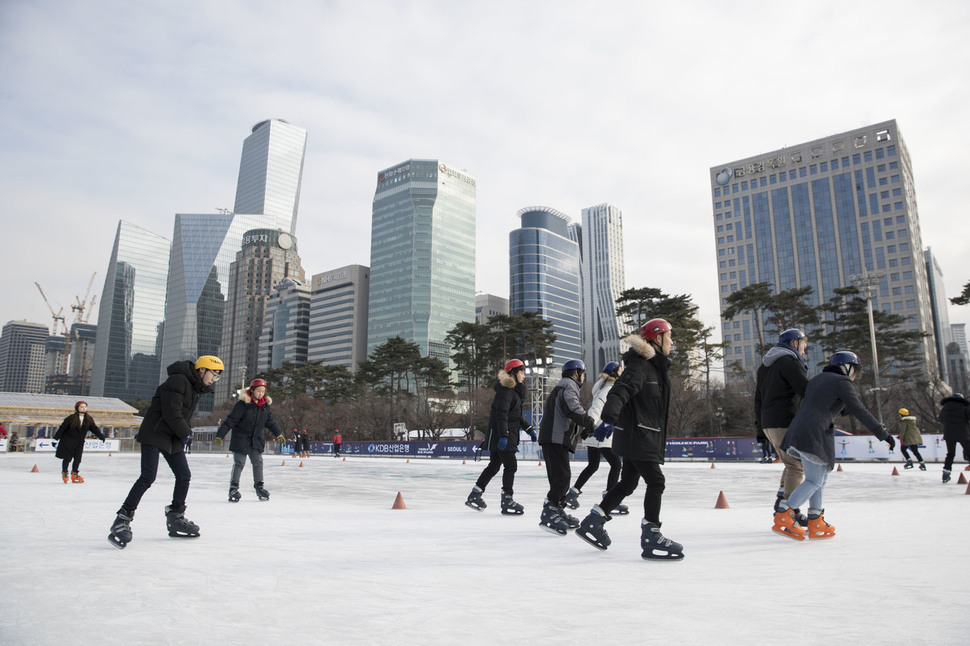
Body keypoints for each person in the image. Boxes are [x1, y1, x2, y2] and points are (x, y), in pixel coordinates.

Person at [576, 318, 685, 561]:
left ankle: (594, 520)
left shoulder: (654, 367)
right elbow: (620, 391)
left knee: (627, 484)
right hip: (639, 435)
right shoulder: (641, 366)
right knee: (656, 482)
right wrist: (609, 419)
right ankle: (651, 535)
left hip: (642, 434)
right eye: (669, 336)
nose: (672, 341)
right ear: (657, 339)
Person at [107, 355, 224, 549]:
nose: (214, 379)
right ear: (202, 370)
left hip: (171, 436)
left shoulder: (195, 388)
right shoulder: (178, 380)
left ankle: (176, 516)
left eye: (218, 376)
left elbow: (182, 415)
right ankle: (122, 519)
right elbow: (172, 413)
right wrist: (187, 433)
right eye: (214, 374)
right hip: (155, 432)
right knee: (147, 477)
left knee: (184, 475)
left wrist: (184, 432)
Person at [777, 351, 892, 540]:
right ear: (846, 368)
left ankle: (815, 519)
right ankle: (785, 515)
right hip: (813, 433)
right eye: (854, 370)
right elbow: (858, 410)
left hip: (801, 429)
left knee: (819, 480)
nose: (855, 376)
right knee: (814, 480)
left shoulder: (818, 379)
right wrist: (882, 433)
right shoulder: (841, 381)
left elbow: (824, 405)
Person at [465, 359, 535, 515]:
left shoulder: (513, 393)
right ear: (513, 373)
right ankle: (507, 500)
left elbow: (515, 416)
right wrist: (504, 436)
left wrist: (529, 429)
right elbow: (501, 415)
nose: (524, 375)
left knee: (494, 465)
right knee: (511, 466)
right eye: (521, 372)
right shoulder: (506, 391)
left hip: (503, 435)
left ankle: (475, 494)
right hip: (503, 436)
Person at [754, 328, 810, 525]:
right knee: (796, 466)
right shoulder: (789, 361)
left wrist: (760, 429)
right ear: (795, 343)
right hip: (785, 420)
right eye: (803, 344)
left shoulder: (765, 365)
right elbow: (805, 389)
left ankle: (781, 503)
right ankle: (787, 511)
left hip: (770, 422)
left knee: (790, 463)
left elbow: (758, 399)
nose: (804, 349)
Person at [537, 359, 595, 535]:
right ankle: (549, 510)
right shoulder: (569, 385)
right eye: (583, 374)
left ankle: (558, 509)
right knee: (562, 476)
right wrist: (588, 421)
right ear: (576, 373)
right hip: (555, 438)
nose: (583, 378)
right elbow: (573, 409)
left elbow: (567, 413)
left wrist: (583, 430)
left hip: (554, 437)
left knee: (560, 477)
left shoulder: (563, 386)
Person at [564, 361, 628, 515]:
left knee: (593, 466)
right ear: (614, 374)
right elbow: (597, 408)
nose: (622, 373)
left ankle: (573, 493)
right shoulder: (609, 389)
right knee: (616, 464)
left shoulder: (602, 387)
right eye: (620, 371)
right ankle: (610, 498)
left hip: (594, 433)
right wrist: (589, 425)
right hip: (600, 432)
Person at [216, 378, 286, 502]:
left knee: (258, 463)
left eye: (263, 391)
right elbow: (231, 420)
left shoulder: (265, 406)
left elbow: (270, 422)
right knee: (239, 463)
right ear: (252, 390)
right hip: (241, 439)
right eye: (258, 391)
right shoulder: (243, 404)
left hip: (256, 440)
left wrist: (278, 433)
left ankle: (260, 488)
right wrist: (220, 435)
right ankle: (233, 488)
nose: (261, 394)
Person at [53, 400, 107, 483]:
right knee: (67, 457)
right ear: (77, 408)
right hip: (68, 440)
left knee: (78, 458)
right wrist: (55, 439)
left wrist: (101, 436)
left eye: (85, 407)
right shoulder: (71, 418)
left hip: (79, 442)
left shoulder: (88, 419)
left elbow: (94, 428)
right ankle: (65, 472)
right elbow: (62, 428)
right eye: (81, 407)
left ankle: (74, 473)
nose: (83, 408)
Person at [938, 393, 970, 483]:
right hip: (963, 433)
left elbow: (941, 419)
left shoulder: (945, 407)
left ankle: (946, 473)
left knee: (950, 454)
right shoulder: (965, 406)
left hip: (949, 434)